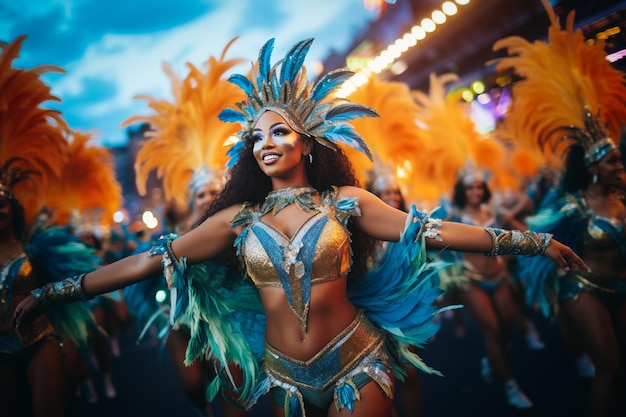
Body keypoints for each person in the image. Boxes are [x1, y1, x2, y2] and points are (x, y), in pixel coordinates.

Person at [13, 38, 588, 417]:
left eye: (280, 132)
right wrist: (52, 292)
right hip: (281, 378)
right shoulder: (238, 221)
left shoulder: (347, 203)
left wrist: (536, 243)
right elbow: (146, 261)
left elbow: (432, 232)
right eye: (256, 137)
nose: (266, 143)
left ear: (307, 141)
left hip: (357, 362)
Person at [491, 1, 626, 415]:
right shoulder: (571, 208)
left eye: (619, 159)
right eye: (612, 162)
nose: (620, 165)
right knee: (610, 366)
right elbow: (537, 234)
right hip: (581, 287)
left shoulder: (623, 198)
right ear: (593, 169)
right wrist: (521, 237)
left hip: (621, 284)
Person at [448, 170, 546, 409]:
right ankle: (510, 385)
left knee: (506, 328)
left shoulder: (494, 213)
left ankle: (491, 360)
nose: (475, 192)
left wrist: (545, 242)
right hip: (471, 279)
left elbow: (522, 229)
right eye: (470, 188)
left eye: (479, 187)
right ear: (463, 191)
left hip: (498, 276)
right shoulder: (454, 216)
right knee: (492, 328)